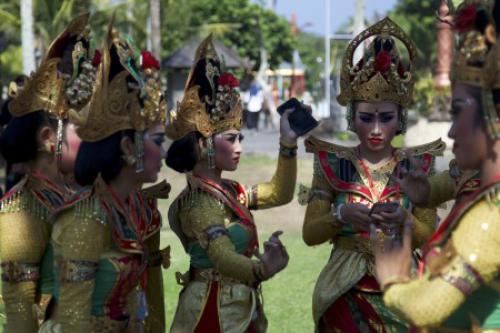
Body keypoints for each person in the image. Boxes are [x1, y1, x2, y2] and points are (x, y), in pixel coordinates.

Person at [301, 17, 445, 332]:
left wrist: (406, 222)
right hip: (344, 289)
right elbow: (310, 234)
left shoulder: (419, 166)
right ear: (353, 118)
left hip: (403, 286)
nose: (377, 129)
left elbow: (429, 236)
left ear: (401, 119)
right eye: (366, 118)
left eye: (386, 118)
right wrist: (340, 215)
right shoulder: (331, 164)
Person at [165, 35, 306, 333]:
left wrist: (288, 144)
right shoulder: (198, 202)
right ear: (203, 146)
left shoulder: (231, 191)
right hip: (210, 309)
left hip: (236, 304)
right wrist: (261, 268)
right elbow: (222, 256)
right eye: (231, 139)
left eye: (240, 137)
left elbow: (279, 194)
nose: (239, 147)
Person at [374, 1, 500, 330]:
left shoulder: (491, 218)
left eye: (458, 111)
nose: (451, 129)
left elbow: (428, 307)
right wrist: (423, 191)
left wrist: (392, 281)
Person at [45, 21, 169, 332]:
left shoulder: (123, 208)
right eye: (156, 143)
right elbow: (73, 321)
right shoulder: (86, 218)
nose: (163, 154)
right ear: (129, 146)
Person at [0, 13, 98, 332]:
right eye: (84, 130)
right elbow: (18, 310)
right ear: (47, 139)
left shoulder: (79, 196)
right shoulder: (20, 212)